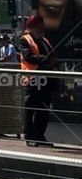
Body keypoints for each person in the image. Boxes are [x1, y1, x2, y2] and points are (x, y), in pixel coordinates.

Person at [19, 15, 57, 147]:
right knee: (30, 108)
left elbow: (51, 55)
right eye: (40, 24)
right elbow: (28, 57)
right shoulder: (25, 40)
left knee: (43, 109)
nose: (43, 26)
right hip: (32, 79)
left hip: (46, 78)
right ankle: (29, 136)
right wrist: (45, 59)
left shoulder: (44, 40)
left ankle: (40, 135)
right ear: (34, 26)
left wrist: (50, 60)